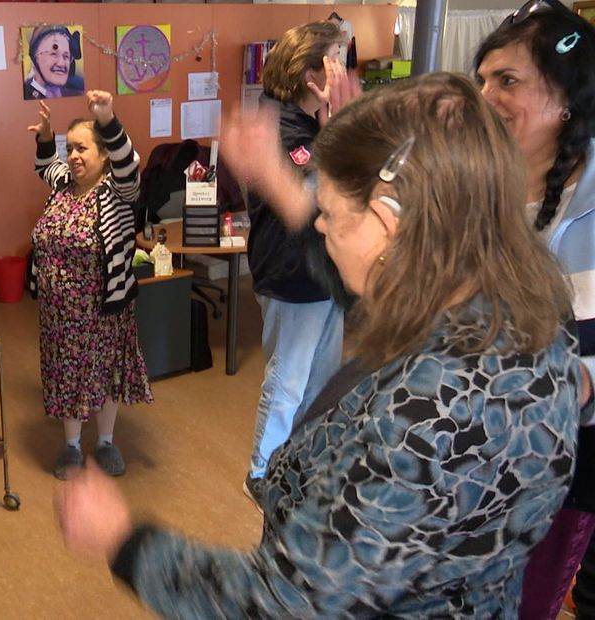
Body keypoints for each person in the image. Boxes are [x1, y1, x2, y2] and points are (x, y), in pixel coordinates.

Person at [55, 72, 591, 618]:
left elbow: (285, 603)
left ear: (390, 223)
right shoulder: (522, 304)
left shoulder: (434, 416)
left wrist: (124, 543)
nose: (321, 229)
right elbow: (362, 276)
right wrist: (273, 173)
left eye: (331, 214)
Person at [474, 2, 595, 617]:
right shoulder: (479, 184)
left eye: (509, 80)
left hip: (562, 463)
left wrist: (559, 384)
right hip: (472, 449)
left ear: (566, 98)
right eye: (484, 79)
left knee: (525, 602)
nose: (487, 94)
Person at [240, 21, 350, 507]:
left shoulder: (312, 125)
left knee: (320, 382)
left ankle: (297, 464)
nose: (345, 71)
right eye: (336, 61)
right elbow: (303, 199)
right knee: (287, 381)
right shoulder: (282, 125)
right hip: (291, 275)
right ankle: (261, 473)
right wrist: (332, 133)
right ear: (312, 74)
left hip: (324, 274)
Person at [27, 90, 152, 480]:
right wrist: (46, 136)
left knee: (107, 372)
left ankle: (106, 442)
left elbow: (130, 165)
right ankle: (71, 446)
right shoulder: (65, 184)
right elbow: (46, 165)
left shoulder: (116, 191)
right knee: (66, 374)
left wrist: (109, 120)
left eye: (82, 148)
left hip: (103, 307)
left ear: (103, 155)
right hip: (59, 313)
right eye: (70, 149)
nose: (74, 156)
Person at [23, 25, 85, 100]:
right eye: (53, 54)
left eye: (66, 56)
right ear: (35, 57)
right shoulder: (25, 94)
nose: (61, 63)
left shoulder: (77, 93)